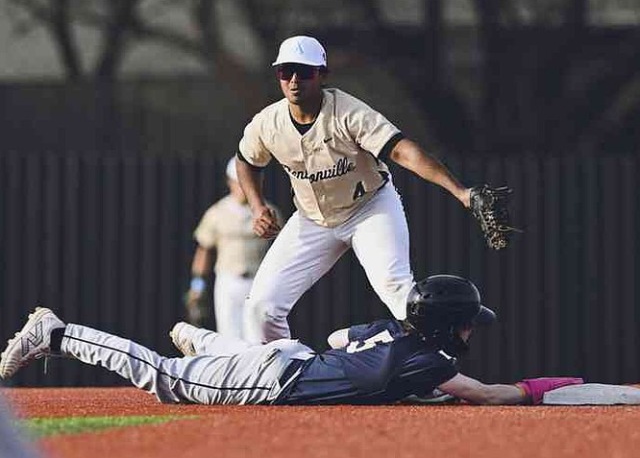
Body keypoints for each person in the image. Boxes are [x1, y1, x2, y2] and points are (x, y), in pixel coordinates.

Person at [0, 275, 582, 406]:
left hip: (297, 355)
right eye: (468, 320)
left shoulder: (394, 330)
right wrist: (537, 388)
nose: (470, 328)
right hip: (279, 375)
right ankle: (56, 331)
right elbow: (485, 393)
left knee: (226, 361)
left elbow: (334, 335)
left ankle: (205, 342)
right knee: (163, 379)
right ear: (446, 323)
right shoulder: (428, 359)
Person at [235, 35, 481, 344]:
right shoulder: (267, 123)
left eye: (304, 71)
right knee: (261, 307)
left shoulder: (348, 113)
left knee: (400, 293)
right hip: (312, 219)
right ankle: (276, 375)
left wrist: (459, 191)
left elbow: (402, 151)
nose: (295, 80)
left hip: (370, 208)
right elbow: (246, 161)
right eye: (286, 71)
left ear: (322, 75)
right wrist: (257, 206)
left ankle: (429, 376)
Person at [184, 156, 282, 337]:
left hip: (259, 282)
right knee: (230, 336)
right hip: (228, 281)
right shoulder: (217, 213)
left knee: (258, 336)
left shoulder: (269, 211)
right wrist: (197, 286)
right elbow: (204, 249)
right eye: (238, 183)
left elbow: (282, 250)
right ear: (230, 182)